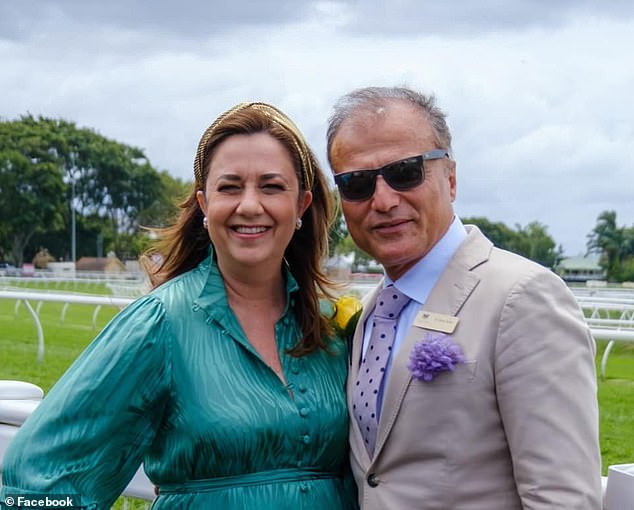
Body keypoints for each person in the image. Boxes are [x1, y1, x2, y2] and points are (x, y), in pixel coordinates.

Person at [1, 102, 358, 509]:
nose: (249, 205)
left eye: (271, 186)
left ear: (302, 205)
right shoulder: (158, 324)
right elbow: (37, 483)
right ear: (205, 206)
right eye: (230, 187)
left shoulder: (332, 326)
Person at [326, 86, 602, 509]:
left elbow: (562, 498)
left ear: (450, 178)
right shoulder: (373, 312)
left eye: (405, 172)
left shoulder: (522, 298)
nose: (383, 201)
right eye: (357, 184)